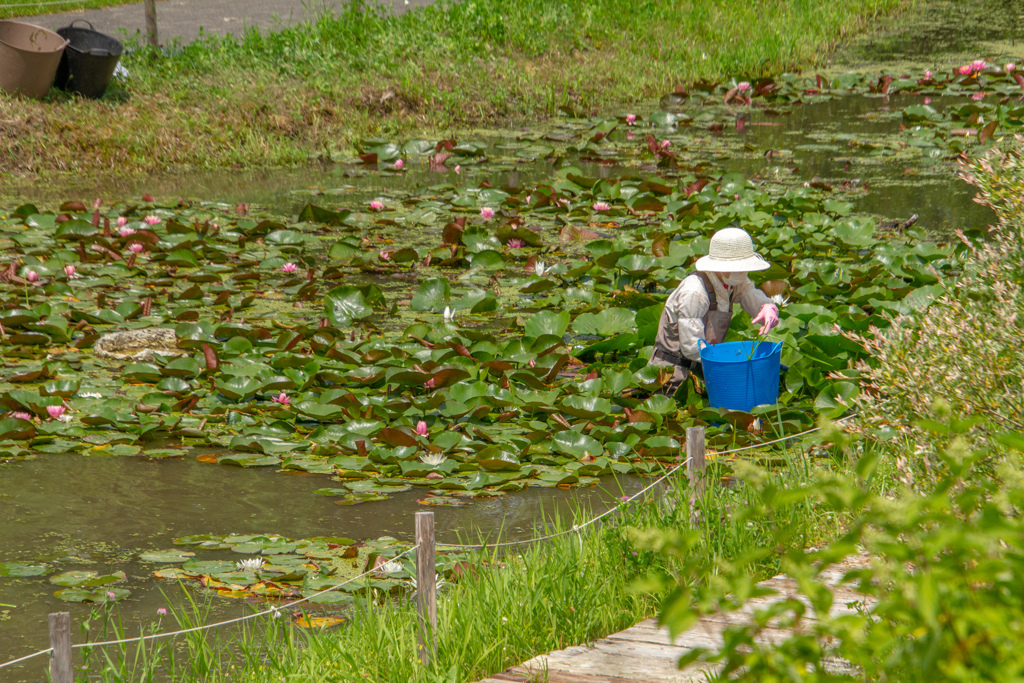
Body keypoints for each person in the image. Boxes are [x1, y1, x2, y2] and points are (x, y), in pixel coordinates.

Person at [649, 227, 780, 396]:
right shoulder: (695, 292)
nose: (742, 273)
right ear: (719, 265)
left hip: (705, 369)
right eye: (737, 268)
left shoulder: (732, 280)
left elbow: (749, 293)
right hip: (672, 374)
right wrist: (731, 360)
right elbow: (691, 346)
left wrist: (767, 307)